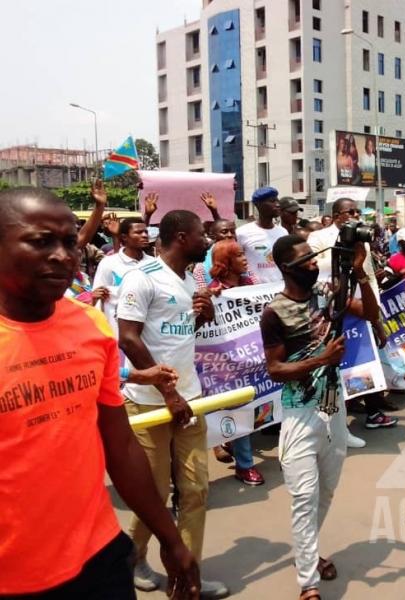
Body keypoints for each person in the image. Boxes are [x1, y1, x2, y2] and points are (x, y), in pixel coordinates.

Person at [0, 188, 200, 599]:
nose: (62, 255)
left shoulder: (91, 328)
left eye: (70, 242)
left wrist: (170, 538)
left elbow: (121, 444)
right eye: (41, 242)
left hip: (100, 558)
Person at [261, 234, 380, 600]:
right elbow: (275, 370)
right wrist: (321, 360)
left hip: (334, 408)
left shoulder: (329, 294)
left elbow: (372, 315)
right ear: (286, 268)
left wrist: (360, 274)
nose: (314, 263)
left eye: (315, 257)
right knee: (303, 497)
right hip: (299, 414)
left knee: (325, 493)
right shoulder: (274, 312)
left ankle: (308, 553)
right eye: (306, 259)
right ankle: (308, 583)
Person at [117, 210, 229, 598]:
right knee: (155, 494)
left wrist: (202, 318)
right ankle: (131, 558)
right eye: (203, 235)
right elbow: (128, 339)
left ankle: (187, 579)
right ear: (182, 237)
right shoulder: (141, 278)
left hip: (189, 401)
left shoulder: (187, 280)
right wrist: (167, 391)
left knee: (196, 490)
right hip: (150, 405)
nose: (208, 241)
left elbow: (177, 338)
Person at [307, 198, 397, 447]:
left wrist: (375, 315)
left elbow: (365, 274)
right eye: (350, 212)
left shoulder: (362, 239)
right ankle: (331, 430)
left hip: (361, 308)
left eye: (357, 211)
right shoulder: (319, 238)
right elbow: (318, 270)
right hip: (331, 308)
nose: (355, 215)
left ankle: (358, 419)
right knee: (332, 370)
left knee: (360, 366)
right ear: (336, 215)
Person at [206, 239, 265, 486]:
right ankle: (245, 465)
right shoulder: (213, 290)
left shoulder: (250, 285)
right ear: (226, 262)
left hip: (250, 359)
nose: (245, 259)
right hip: (223, 362)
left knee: (252, 409)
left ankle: (235, 449)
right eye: (239, 255)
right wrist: (210, 299)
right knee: (236, 410)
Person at [93, 216, 156, 335]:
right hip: (116, 334)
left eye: (146, 232)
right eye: (138, 232)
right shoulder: (108, 263)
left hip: (148, 334)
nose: (144, 235)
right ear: (124, 237)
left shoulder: (154, 264)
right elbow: (97, 298)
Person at [237, 186, 289, 283]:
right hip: (254, 291)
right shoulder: (242, 233)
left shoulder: (283, 232)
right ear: (258, 205)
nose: (278, 204)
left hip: (279, 289)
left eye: (278, 200)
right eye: (272, 201)